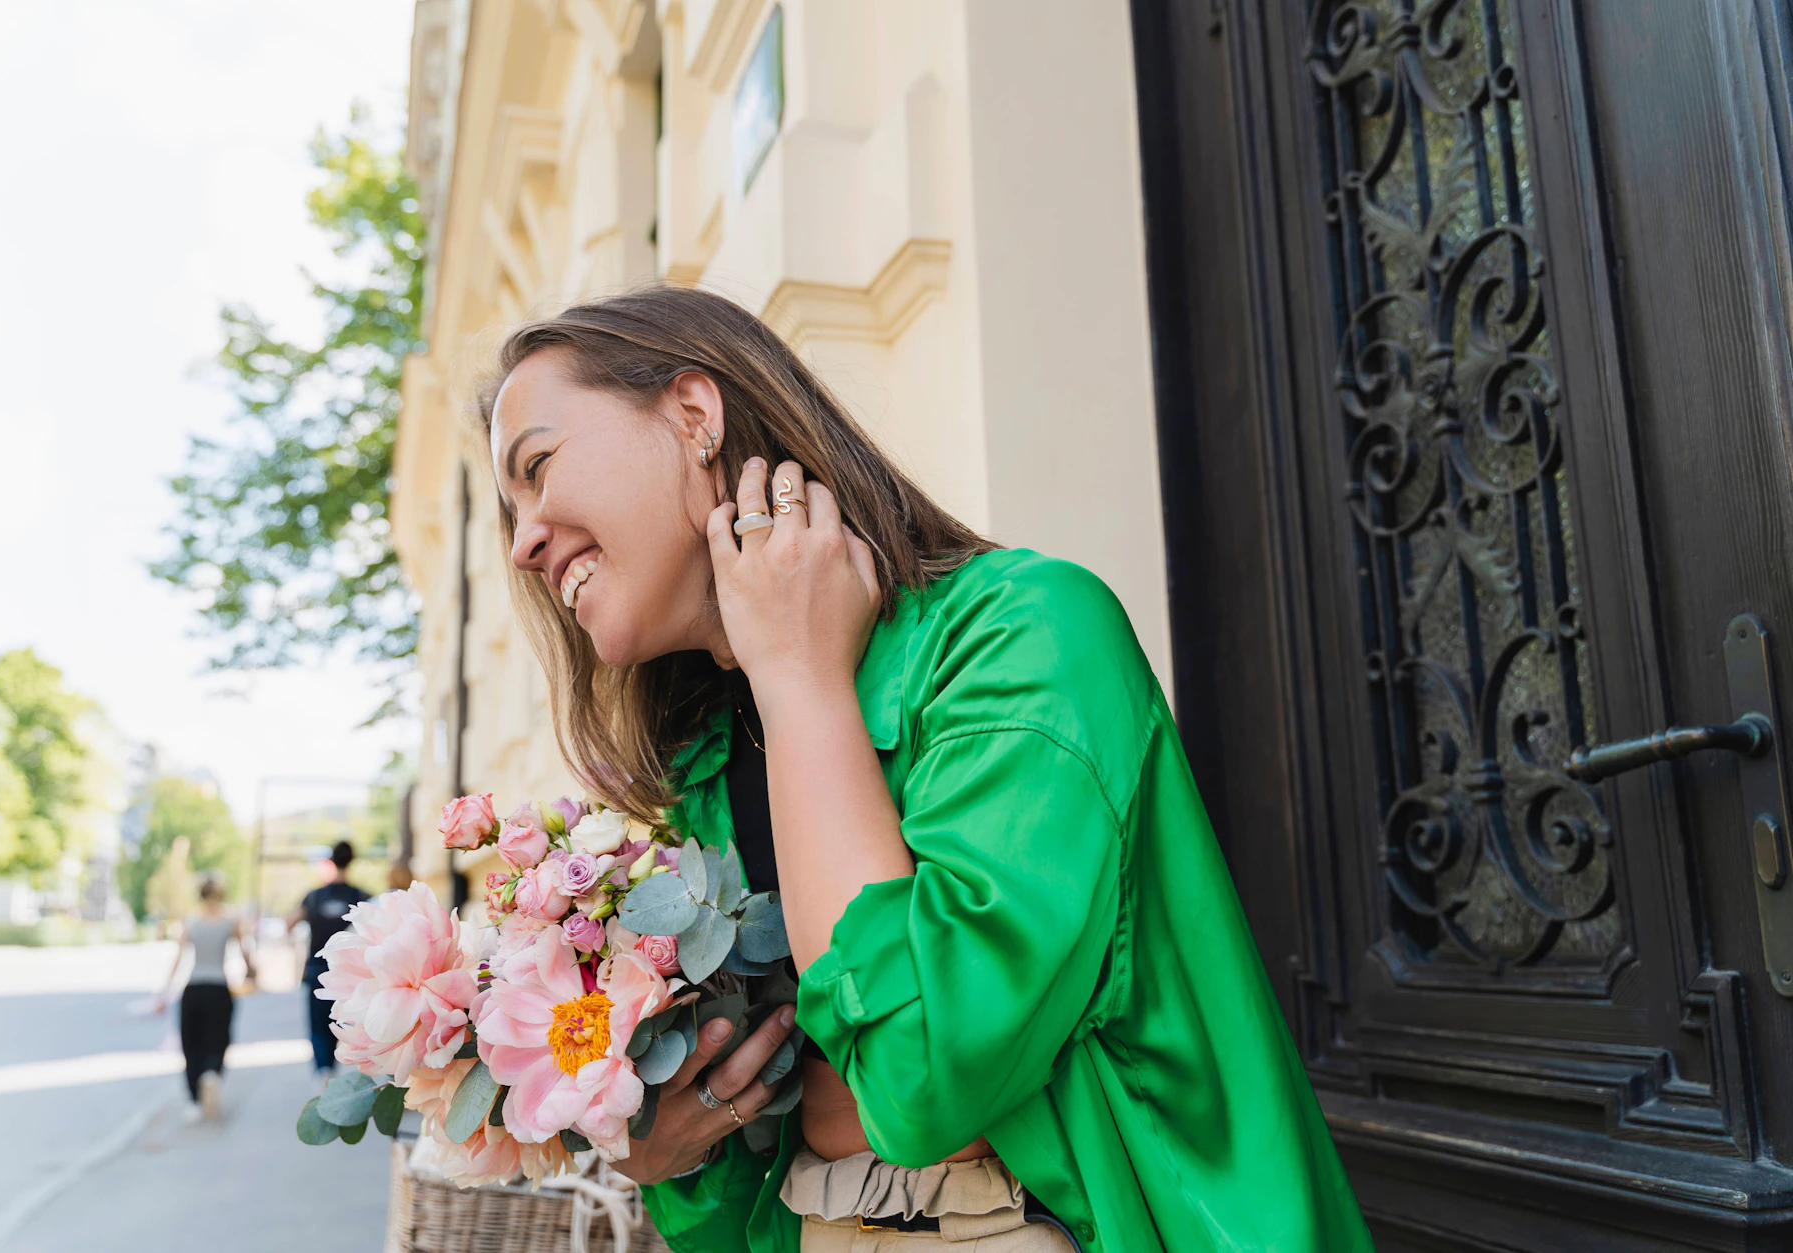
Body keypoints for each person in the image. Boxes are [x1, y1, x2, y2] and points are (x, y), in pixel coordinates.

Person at [478, 287, 1373, 1252]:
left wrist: (802, 682)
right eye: (510, 507)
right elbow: (748, 1194)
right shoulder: (707, 768)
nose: (524, 542)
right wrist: (676, 1147)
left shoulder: (1029, 634)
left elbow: (921, 1079)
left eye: (538, 466)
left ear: (695, 415)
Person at [154, 871, 255, 1121]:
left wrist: (165, 992)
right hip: (220, 988)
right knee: (219, 1038)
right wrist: (253, 974)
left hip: (194, 989)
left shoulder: (190, 921)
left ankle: (194, 1102)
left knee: (191, 1044)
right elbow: (245, 956)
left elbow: (179, 959)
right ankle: (212, 1071)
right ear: (220, 893)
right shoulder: (230, 921)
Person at [290, 840, 369, 1080]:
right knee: (348, 1021)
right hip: (349, 973)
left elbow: (289, 923)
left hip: (317, 970)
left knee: (318, 1026)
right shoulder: (361, 897)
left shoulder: (313, 897)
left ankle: (324, 1071)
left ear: (332, 862)